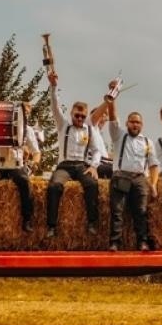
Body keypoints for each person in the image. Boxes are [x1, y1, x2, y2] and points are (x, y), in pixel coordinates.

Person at [45, 70, 105, 238]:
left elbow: (97, 150)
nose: (79, 118)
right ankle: (51, 226)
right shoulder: (63, 124)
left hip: (82, 166)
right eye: (77, 115)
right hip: (65, 166)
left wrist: (94, 166)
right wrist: (53, 86)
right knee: (55, 185)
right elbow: (54, 105)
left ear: (85, 116)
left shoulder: (89, 129)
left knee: (92, 184)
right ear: (71, 113)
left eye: (82, 116)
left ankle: (92, 223)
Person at [0, 102, 41, 233]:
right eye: (24, 113)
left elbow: (37, 152)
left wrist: (34, 163)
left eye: (27, 113)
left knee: (24, 182)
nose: (25, 115)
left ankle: (27, 220)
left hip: (16, 165)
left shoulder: (28, 130)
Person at [106, 109, 159, 251]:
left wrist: (153, 185)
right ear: (127, 123)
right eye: (132, 122)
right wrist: (112, 100)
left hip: (139, 179)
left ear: (142, 125)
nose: (135, 125)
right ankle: (115, 242)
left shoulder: (148, 142)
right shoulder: (118, 135)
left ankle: (142, 242)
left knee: (141, 211)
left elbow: (153, 165)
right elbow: (112, 118)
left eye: (138, 122)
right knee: (117, 211)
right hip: (121, 176)